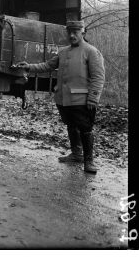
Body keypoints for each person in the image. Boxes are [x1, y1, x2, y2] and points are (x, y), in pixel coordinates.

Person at [16, 20, 105, 174]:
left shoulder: (91, 51)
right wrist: (29, 66)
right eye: (69, 32)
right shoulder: (63, 52)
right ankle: (76, 154)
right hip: (64, 99)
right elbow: (47, 66)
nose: (72, 35)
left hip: (82, 101)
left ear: (82, 33)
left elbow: (98, 77)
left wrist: (93, 98)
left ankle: (88, 161)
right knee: (71, 126)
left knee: (85, 129)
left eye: (75, 32)